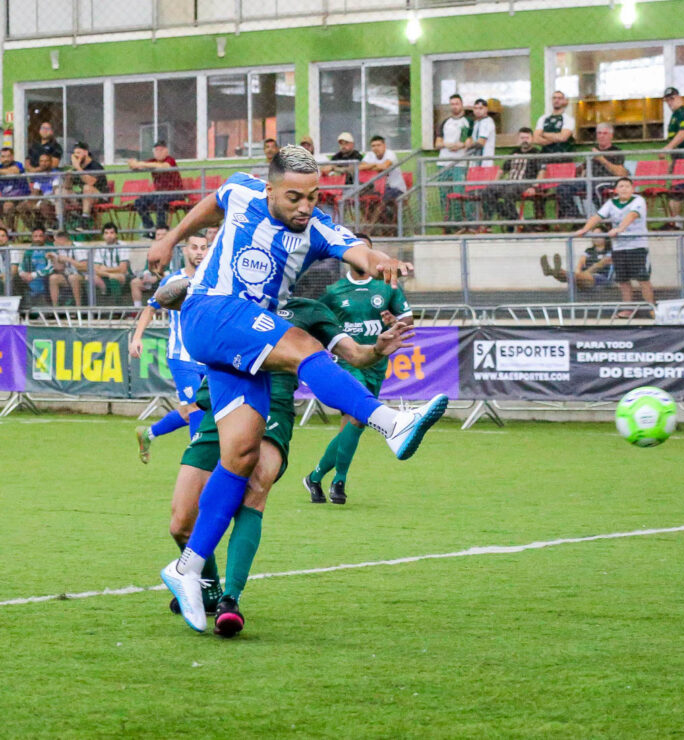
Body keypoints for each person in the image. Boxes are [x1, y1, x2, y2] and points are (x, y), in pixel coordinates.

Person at [146, 144, 448, 633]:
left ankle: (188, 567)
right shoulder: (243, 190)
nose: (305, 207)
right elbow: (214, 201)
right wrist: (172, 238)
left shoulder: (319, 227)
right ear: (269, 189)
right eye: (293, 198)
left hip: (244, 343)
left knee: (241, 455)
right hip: (211, 311)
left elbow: (358, 251)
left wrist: (381, 260)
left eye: (312, 196)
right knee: (303, 344)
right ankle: (390, 422)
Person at [154, 279, 414, 635]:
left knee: (255, 485)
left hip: (272, 404)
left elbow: (355, 355)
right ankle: (205, 586)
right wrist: (184, 280)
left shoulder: (309, 309)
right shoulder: (223, 292)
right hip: (218, 401)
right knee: (181, 521)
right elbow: (164, 299)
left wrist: (378, 349)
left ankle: (231, 599)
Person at [304, 234, 414, 505]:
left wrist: (393, 322)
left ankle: (315, 476)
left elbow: (406, 320)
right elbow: (316, 322)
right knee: (355, 418)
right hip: (348, 363)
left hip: (376, 363)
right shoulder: (334, 292)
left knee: (355, 424)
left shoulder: (387, 288)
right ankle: (338, 482)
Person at [130, 234, 210, 460]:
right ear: (185, 251)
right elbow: (150, 307)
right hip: (181, 357)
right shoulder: (174, 282)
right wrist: (137, 338)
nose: (199, 252)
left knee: (189, 412)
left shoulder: (213, 280)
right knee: (195, 409)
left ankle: (148, 433)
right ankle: (199, 464)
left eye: (203, 248)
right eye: (194, 247)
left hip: (208, 357)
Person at [574, 176, 654, 316]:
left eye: (627, 186)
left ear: (632, 189)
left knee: (643, 279)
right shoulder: (611, 203)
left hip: (637, 246)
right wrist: (585, 229)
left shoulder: (638, 200)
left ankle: (652, 309)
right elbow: (598, 216)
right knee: (623, 280)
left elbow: (632, 215)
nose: (624, 189)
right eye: (621, 186)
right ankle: (628, 309)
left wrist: (619, 229)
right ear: (616, 190)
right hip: (618, 248)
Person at [555, 123, 627, 221]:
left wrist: (601, 159)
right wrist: (578, 169)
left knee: (595, 186)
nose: (601, 136)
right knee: (563, 187)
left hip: (608, 181)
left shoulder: (616, 151)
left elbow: (621, 173)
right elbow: (581, 168)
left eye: (605, 133)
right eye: (599, 133)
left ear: (611, 135)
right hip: (589, 181)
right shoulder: (593, 150)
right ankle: (576, 217)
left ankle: (604, 218)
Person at [482, 127, 542, 229]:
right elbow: (502, 170)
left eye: (527, 138)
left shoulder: (536, 153)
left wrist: (534, 187)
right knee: (487, 191)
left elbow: (541, 171)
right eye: (522, 138)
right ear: (518, 139)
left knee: (509, 192)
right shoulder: (514, 153)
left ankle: (513, 221)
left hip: (525, 183)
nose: (525, 140)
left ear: (532, 138)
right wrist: (494, 182)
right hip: (509, 182)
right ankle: (512, 217)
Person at [660, 87, 684, 228]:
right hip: (678, 158)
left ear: (679, 97)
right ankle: (677, 222)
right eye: (667, 100)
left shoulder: (683, 114)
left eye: (672, 98)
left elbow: (682, 134)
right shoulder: (675, 115)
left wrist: (667, 148)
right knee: (678, 192)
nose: (670, 102)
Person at [128, 140, 184, 235]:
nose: (159, 152)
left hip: (175, 193)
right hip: (159, 193)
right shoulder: (152, 161)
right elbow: (133, 166)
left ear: (166, 151)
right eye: (156, 150)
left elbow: (164, 167)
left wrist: (141, 163)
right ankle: (150, 229)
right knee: (139, 202)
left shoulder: (170, 160)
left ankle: (161, 228)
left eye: (161, 150)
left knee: (160, 200)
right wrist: (133, 163)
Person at [435, 94, 472, 227]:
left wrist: (460, 145)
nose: (454, 106)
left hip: (459, 164)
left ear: (462, 105)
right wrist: (448, 145)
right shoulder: (445, 122)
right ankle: (447, 223)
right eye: (452, 104)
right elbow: (437, 143)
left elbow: (468, 141)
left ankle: (459, 223)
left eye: (457, 103)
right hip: (443, 163)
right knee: (444, 194)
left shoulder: (468, 121)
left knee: (458, 193)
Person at [540, 231, 613, 290]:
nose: (595, 237)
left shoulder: (610, 251)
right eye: (593, 235)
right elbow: (580, 263)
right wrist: (578, 272)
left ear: (605, 237)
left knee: (572, 277)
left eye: (598, 235)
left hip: (601, 278)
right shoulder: (588, 251)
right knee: (571, 277)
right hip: (584, 277)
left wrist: (584, 273)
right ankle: (553, 272)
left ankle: (555, 272)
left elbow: (599, 265)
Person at [359, 135, 407, 213]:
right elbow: (360, 168)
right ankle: (372, 221)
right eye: (373, 146)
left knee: (381, 199)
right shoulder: (370, 155)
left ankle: (376, 222)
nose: (376, 148)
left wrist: (369, 167)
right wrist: (374, 165)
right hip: (379, 190)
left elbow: (384, 166)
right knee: (362, 198)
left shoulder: (390, 154)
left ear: (384, 146)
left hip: (396, 189)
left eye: (379, 145)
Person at [65, 142, 107, 230]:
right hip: (84, 197)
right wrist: (68, 176)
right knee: (61, 191)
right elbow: (67, 187)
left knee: (87, 188)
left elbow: (90, 182)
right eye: (75, 154)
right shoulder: (77, 167)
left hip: (100, 196)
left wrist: (78, 168)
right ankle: (59, 220)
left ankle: (85, 218)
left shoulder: (95, 166)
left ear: (86, 153)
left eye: (79, 153)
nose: (76, 156)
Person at [17, 152, 61, 230]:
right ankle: (33, 229)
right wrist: (30, 202)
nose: (43, 163)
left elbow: (55, 191)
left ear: (50, 162)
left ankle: (53, 226)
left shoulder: (56, 174)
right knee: (21, 207)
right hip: (41, 199)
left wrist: (38, 200)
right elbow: (36, 191)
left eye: (46, 161)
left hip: (54, 200)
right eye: (41, 161)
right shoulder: (39, 175)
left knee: (43, 205)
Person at [130, 226, 170, 307]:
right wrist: (146, 275)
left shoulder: (175, 249)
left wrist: (157, 277)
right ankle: (137, 310)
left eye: (164, 235)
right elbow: (147, 268)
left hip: (168, 281)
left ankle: (167, 312)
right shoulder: (152, 250)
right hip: (152, 281)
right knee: (135, 283)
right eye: (158, 235)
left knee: (169, 282)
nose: (161, 237)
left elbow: (175, 271)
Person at [533, 90, 576, 163]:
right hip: (545, 158)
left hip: (563, 158)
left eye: (559, 98)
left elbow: (563, 137)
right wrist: (555, 137)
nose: (556, 100)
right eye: (554, 98)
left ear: (564, 101)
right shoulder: (543, 118)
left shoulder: (568, 119)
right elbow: (536, 139)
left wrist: (543, 134)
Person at [14, 227, 54, 299]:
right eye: (35, 236)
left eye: (40, 236)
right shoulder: (28, 251)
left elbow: (52, 267)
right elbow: (21, 265)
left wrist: (34, 275)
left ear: (44, 237)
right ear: (32, 238)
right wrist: (22, 274)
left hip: (45, 281)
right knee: (15, 279)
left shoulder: (50, 249)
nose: (38, 239)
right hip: (29, 281)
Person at [0, 146, 30, 228]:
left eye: (8, 156)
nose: (6, 159)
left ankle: (10, 231)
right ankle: (6, 231)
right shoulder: (1, 167)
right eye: (3, 157)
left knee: (8, 206)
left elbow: (14, 171)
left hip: (21, 197)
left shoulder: (18, 164)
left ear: (12, 157)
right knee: (7, 205)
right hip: (5, 198)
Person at [466, 99, 497, 168]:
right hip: (474, 162)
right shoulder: (476, 123)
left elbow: (480, 143)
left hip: (484, 163)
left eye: (481, 108)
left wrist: (465, 146)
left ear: (486, 109)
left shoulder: (487, 122)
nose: (478, 111)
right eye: (475, 108)